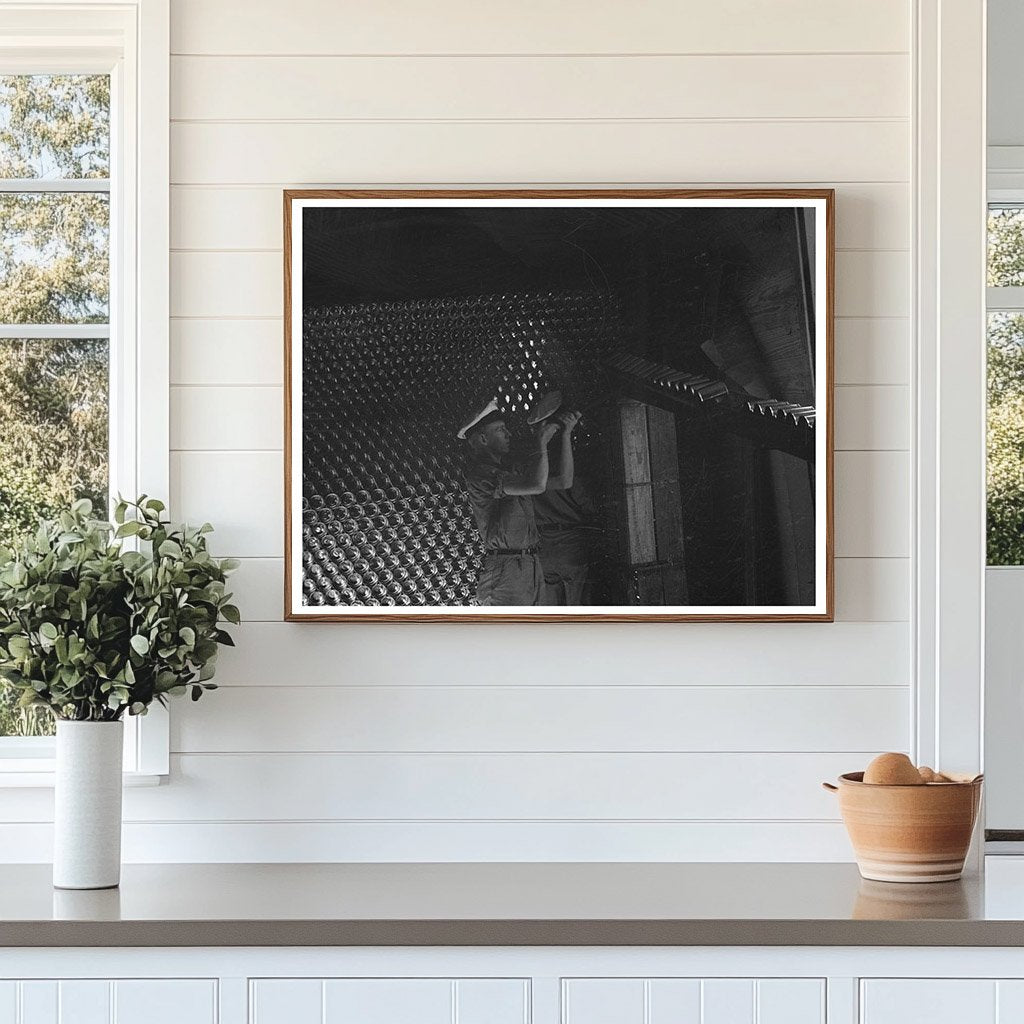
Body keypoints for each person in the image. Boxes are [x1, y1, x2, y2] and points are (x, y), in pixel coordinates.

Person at [459, 398, 575, 606]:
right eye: (501, 430)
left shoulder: (510, 473)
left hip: (529, 564)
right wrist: (541, 443)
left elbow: (564, 481)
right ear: (483, 439)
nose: (508, 434)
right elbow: (537, 485)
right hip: (506, 571)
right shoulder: (480, 475)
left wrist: (565, 435)